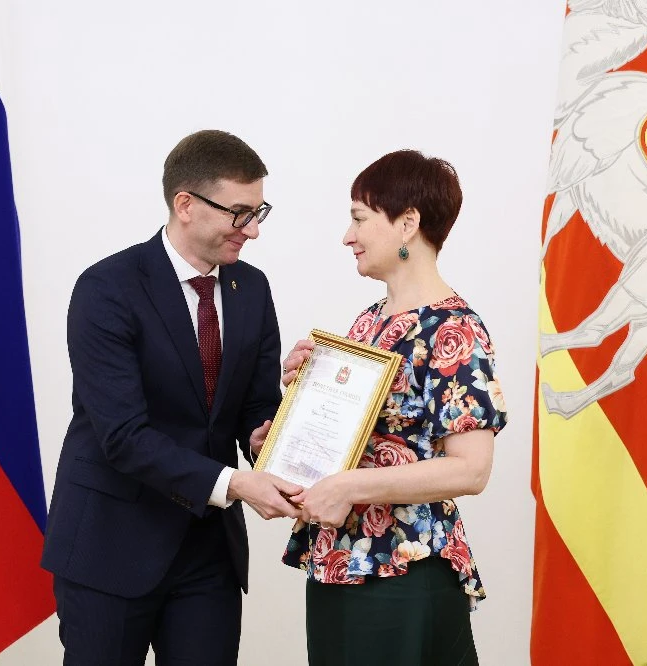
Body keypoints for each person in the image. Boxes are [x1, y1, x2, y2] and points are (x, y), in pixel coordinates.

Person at [41, 130, 302, 665]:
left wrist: (270, 437)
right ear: (185, 205)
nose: (253, 230)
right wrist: (235, 483)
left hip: (208, 552)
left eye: (259, 212)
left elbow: (254, 408)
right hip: (111, 544)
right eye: (240, 213)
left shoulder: (251, 289)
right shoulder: (107, 288)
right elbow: (123, 436)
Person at [272, 149, 508, 665]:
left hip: (403, 566)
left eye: (359, 218)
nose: (347, 236)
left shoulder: (455, 330)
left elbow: (471, 470)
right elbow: (365, 442)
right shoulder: (368, 322)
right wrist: (298, 407)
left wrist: (348, 487)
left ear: (407, 223)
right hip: (341, 561)